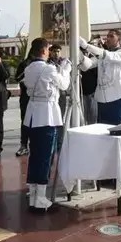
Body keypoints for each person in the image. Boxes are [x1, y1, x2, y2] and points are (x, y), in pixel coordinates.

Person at [23, 37, 72, 211]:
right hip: (46, 116)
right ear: (44, 50)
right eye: (48, 48)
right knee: (45, 157)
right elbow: (64, 85)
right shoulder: (49, 69)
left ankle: (33, 196)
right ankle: (40, 198)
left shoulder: (29, 68)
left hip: (32, 116)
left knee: (34, 156)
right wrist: (66, 69)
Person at [78, 30, 121, 124]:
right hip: (102, 98)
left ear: (119, 39)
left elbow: (106, 55)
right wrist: (79, 55)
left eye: (111, 36)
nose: (108, 38)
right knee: (102, 127)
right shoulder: (103, 55)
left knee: (118, 127)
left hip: (117, 97)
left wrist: (86, 46)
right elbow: (88, 65)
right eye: (107, 36)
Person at [14, 50, 41, 157]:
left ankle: (34, 145)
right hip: (26, 97)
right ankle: (24, 145)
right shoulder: (25, 64)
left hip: (38, 98)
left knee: (37, 121)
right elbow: (17, 78)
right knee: (25, 121)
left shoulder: (43, 65)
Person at [48, 44, 71, 152]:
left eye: (58, 51)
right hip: (51, 95)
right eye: (54, 51)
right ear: (50, 52)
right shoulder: (47, 64)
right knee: (51, 119)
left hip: (61, 94)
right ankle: (52, 142)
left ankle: (59, 143)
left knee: (60, 119)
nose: (56, 53)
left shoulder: (64, 63)